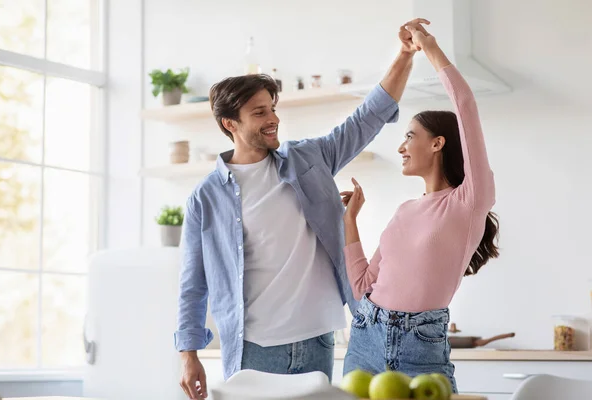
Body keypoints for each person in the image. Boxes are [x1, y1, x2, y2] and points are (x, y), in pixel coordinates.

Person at [175, 19, 431, 400]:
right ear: (231, 124)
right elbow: (193, 284)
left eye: (272, 108)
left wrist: (406, 55)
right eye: (259, 113)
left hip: (318, 339)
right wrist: (188, 354)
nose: (273, 118)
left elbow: (369, 116)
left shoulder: (308, 159)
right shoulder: (206, 196)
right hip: (254, 349)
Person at [340, 22, 500, 394]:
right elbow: (363, 287)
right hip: (365, 333)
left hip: (420, 343)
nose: (401, 146)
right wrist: (350, 222)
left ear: (438, 143)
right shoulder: (404, 211)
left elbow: (466, 106)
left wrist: (429, 49)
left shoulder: (469, 200)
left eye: (410, 135)